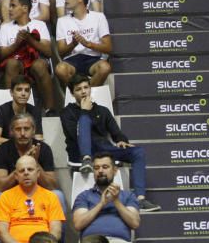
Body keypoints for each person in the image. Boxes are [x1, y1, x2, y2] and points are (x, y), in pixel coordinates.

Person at [61, 76, 159, 211]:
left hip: (103, 151)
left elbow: (116, 132)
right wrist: (84, 112)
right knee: (85, 121)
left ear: (90, 89)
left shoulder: (102, 110)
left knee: (138, 152)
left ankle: (140, 199)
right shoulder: (67, 112)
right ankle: (87, 159)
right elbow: (73, 136)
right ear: (72, 93)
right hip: (79, 153)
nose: (83, 92)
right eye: (78, 89)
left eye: (86, 87)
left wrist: (121, 140)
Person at [0, 156, 69, 243]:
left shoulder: (51, 196)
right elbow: (1, 231)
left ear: (38, 173)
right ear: (16, 176)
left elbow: (56, 230)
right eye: (22, 171)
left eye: (30, 169)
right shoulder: (5, 196)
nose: (26, 173)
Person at [72, 153, 143, 243]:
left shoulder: (127, 196)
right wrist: (101, 204)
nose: (100, 171)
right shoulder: (84, 196)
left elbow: (134, 223)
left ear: (115, 170)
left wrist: (116, 201)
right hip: (91, 242)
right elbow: (78, 224)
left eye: (105, 167)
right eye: (96, 168)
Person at [0, 0, 55, 112]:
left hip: (34, 62)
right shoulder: (5, 27)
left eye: (13, 6)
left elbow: (48, 52)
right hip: (16, 63)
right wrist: (17, 43)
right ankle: (10, 110)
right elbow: (1, 54)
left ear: (25, 8)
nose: (9, 9)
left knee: (39, 65)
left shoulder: (40, 25)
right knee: (11, 63)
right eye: (10, 6)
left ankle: (50, 109)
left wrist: (30, 40)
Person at [55, 0, 112, 87]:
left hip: (93, 59)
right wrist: (73, 44)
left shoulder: (99, 17)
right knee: (60, 69)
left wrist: (88, 44)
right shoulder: (62, 21)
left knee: (105, 67)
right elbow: (61, 52)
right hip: (72, 60)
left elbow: (108, 48)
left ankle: (85, 93)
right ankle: (79, 92)